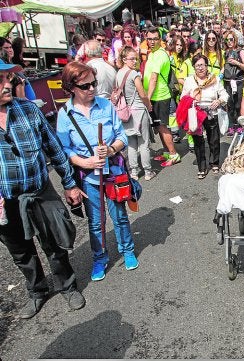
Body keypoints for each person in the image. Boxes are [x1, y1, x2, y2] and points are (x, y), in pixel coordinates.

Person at [0, 61, 86, 319]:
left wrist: (69, 184)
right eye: (0, 79)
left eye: (8, 77)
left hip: (39, 192)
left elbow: (54, 148)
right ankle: (37, 291)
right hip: (6, 203)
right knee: (20, 252)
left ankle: (68, 286)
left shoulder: (27, 109)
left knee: (54, 243)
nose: (8, 84)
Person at [57, 61, 139, 282]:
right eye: (85, 86)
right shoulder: (65, 114)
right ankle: (99, 258)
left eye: (93, 83)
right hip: (89, 177)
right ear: (71, 87)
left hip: (112, 172)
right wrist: (84, 163)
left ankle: (127, 250)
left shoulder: (105, 105)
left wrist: (111, 148)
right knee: (95, 221)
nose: (92, 89)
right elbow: (63, 148)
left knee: (119, 216)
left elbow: (122, 136)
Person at [181, 54, 229, 179]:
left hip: (211, 112)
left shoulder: (215, 79)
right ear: (193, 67)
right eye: (197, 66)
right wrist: (191, 101)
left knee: (214, 139)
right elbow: (183, 98)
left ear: (207, 66)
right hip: (196, 113)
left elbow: (225, 95)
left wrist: (218, 101)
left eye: (202, 65)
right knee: (198, 141)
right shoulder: (189, 81)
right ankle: (202, 167)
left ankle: (214, 163)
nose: (200, 68)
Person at [116, 46, 155, 181]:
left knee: (131, 143)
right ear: (124, 59)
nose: (134, 61)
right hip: (138, 110)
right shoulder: (134, 74)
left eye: (136, 58)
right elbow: (142, 94)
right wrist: (148, 105)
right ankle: (148, 171)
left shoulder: (119, 73)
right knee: (143, 143)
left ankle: (134, 171)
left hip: (125, 112)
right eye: (132, 59)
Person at [143, 27, 181, 167]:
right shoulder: (152, 53)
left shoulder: (160, 54)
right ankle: (166, 152)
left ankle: (173, 154)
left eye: (155, 39)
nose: (152, 42)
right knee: (159, 126)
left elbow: (154, 78)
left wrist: (147, 98)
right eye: (149, 39)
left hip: (160, 96)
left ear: (160, 40)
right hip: (154, 96)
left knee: (163, 127)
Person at [222, 30, 244, 134]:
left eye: (231, 39)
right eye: (227, 40)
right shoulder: (225, 52)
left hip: (239, 82)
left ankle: (240, 125)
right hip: (228, 82)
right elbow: (225, 66)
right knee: (230, 104)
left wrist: (237, 63)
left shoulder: (240, 51)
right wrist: (220, 74)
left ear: (235, 40)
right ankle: (232, 126)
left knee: (239, 104)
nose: (229, 42)